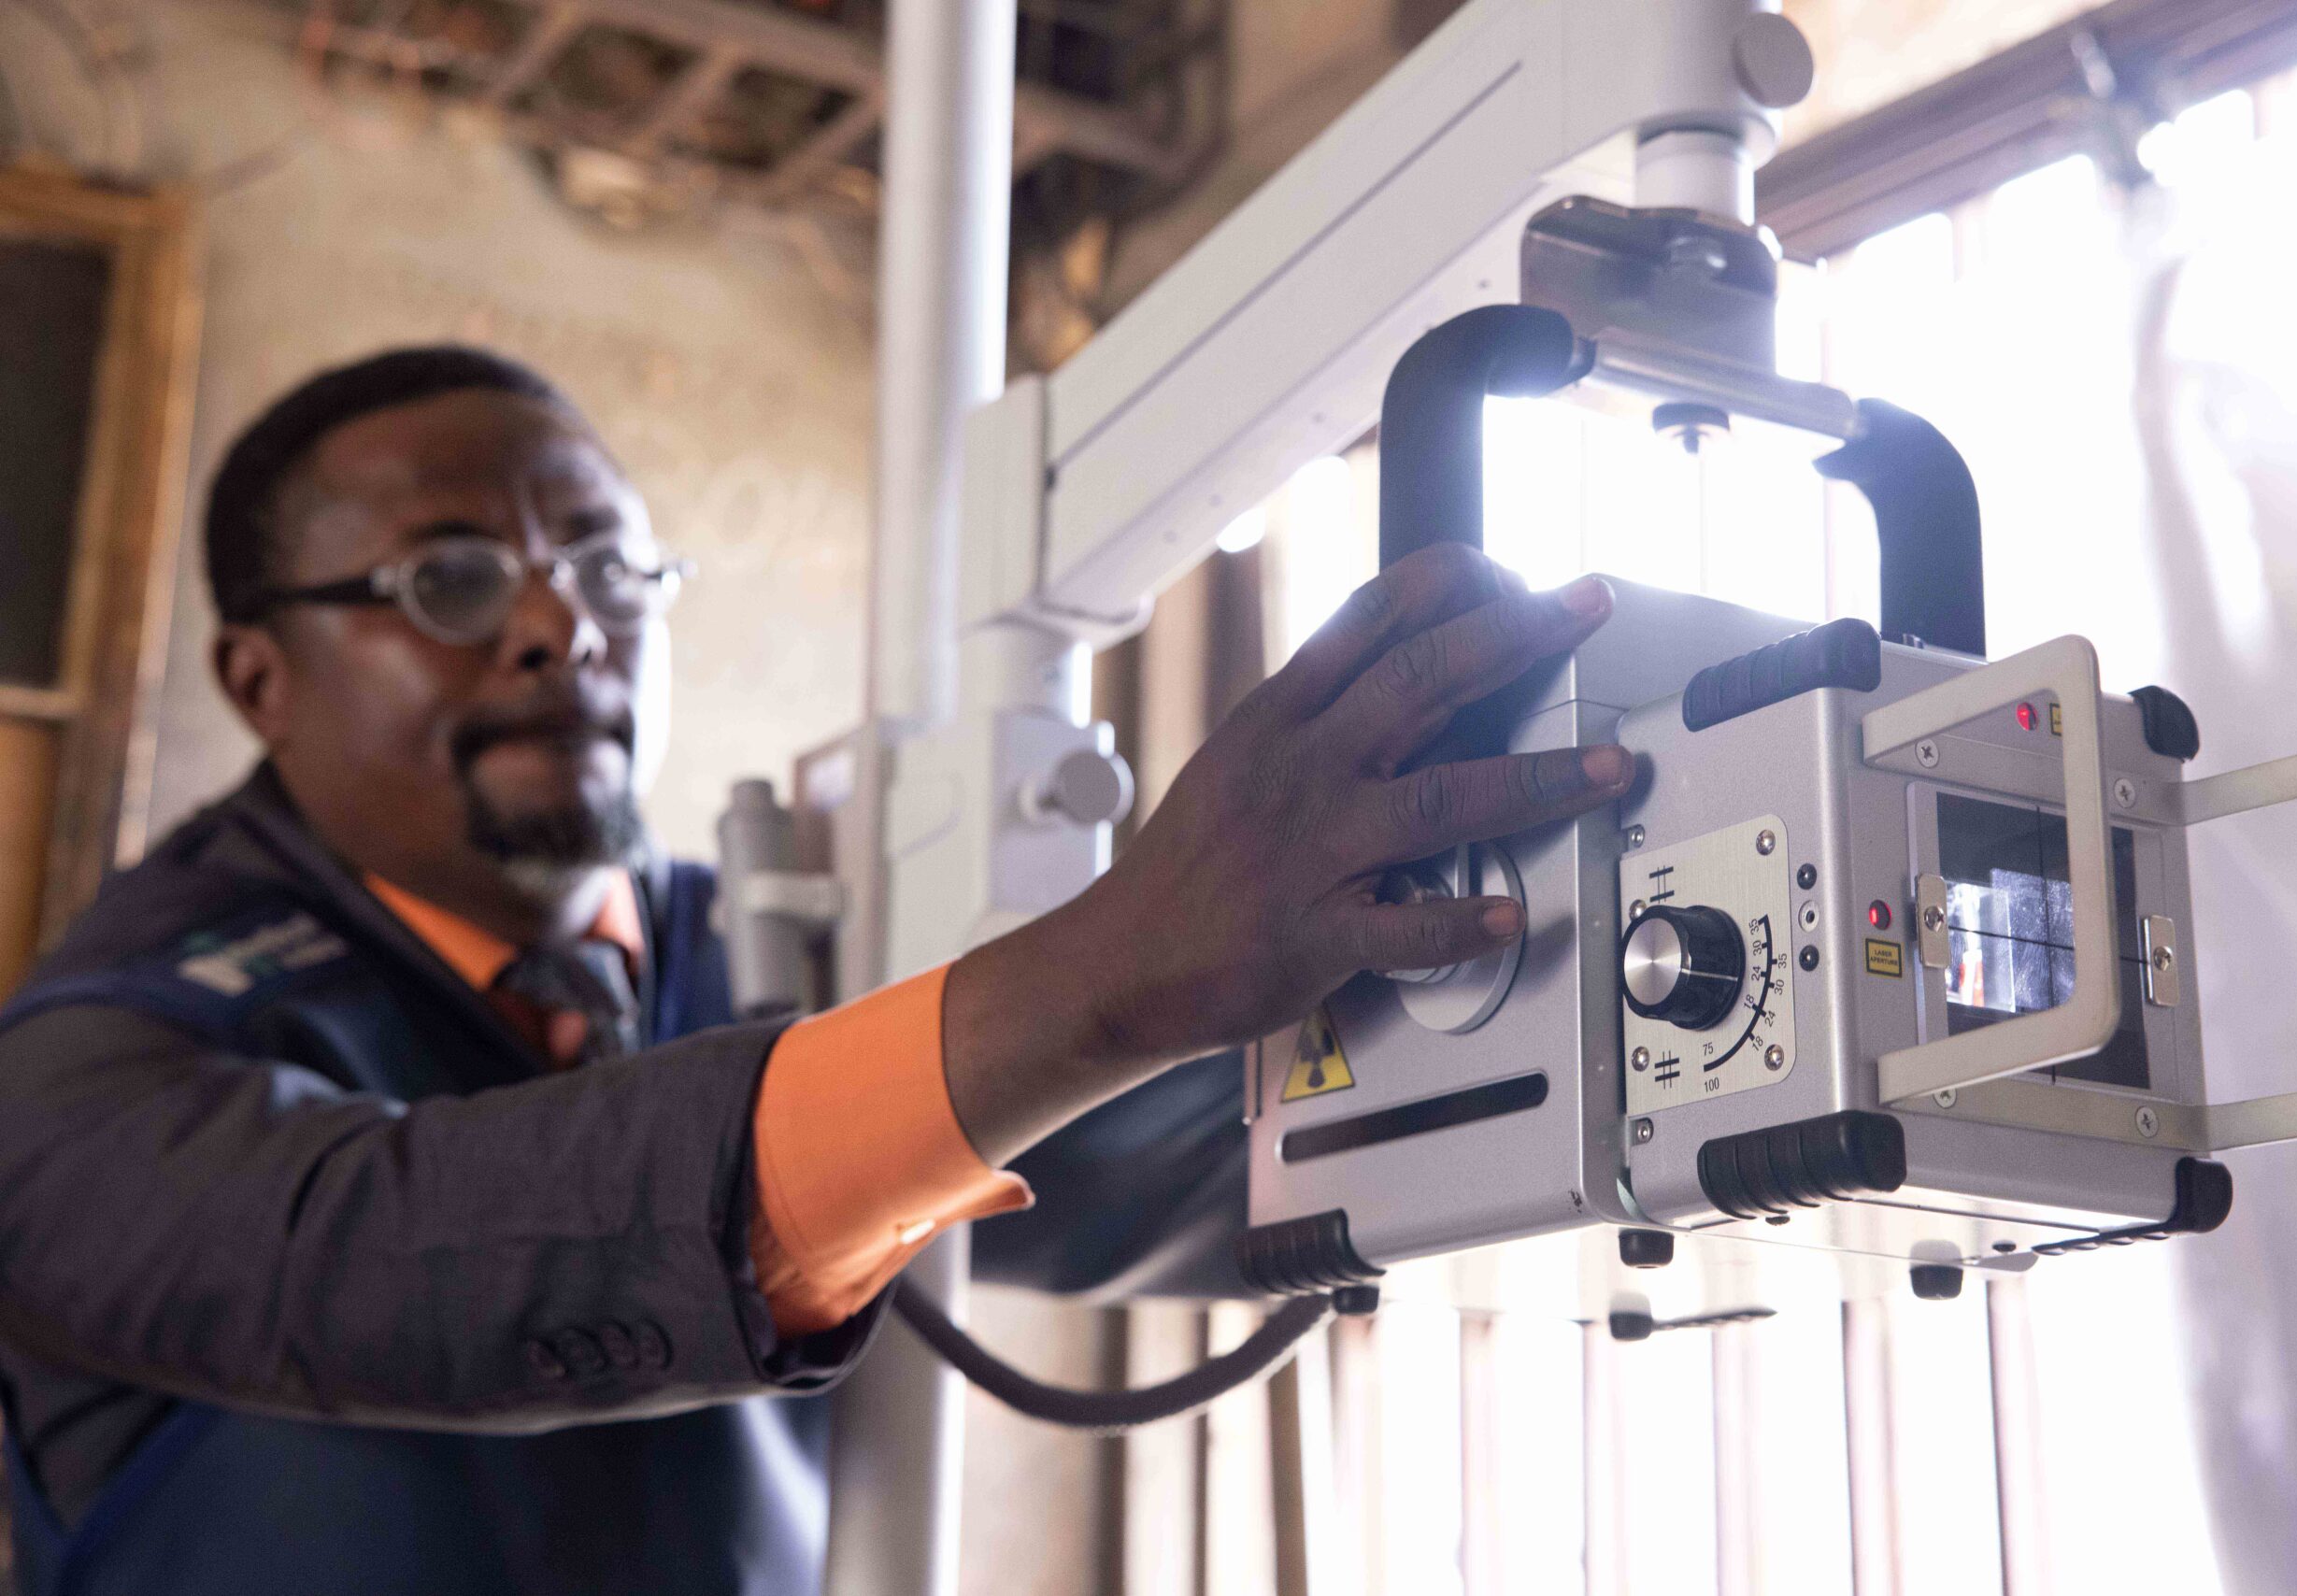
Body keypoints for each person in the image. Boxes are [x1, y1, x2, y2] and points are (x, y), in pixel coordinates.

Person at [0, 348, 1630, 1595]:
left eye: (609, 566)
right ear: (259, 675)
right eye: (455, 580)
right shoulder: (88, 1063)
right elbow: (391, 1250)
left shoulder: (775, 942)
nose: (561, 628)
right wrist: (1118, 962)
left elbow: (1173, 1148)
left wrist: (1605, 1016)